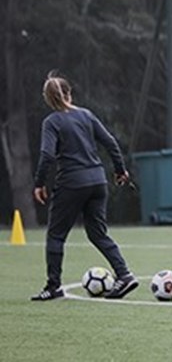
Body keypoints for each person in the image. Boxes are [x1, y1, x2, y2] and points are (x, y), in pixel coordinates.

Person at [30, 73, 139, 301]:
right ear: (70, 93)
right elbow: (110, 142)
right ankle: (124, 274)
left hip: (71, 183)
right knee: (98, 234)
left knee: (56, 235)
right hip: (98, 181)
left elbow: (47, 155)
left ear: (47, 99)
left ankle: (53, 287)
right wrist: (120, 171)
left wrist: (39, 183)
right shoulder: (87, 115)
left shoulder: (51, 122)